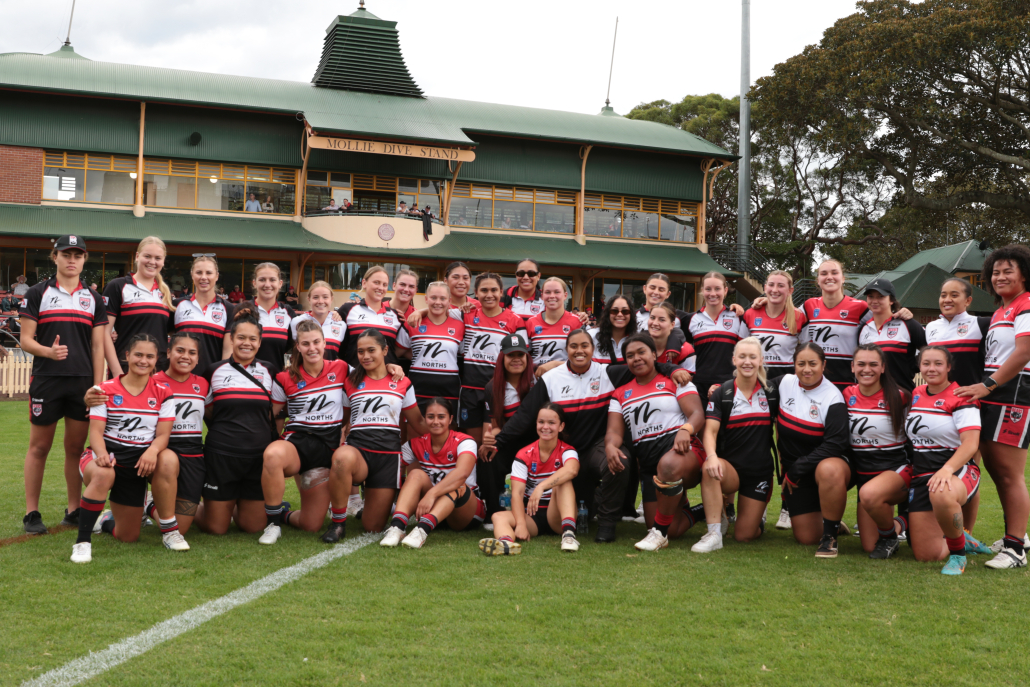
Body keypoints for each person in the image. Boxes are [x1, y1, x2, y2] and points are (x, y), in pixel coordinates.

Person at [490, 328, 692, 542]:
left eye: (584, 346)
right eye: (573, 346)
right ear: (566, 350)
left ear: (592, 349)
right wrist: (498, 442)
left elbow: (644, 365)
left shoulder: (607, 373)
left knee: (618, 458)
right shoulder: (551, 379)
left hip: (596, 448)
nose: (579, 351)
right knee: (582, 504)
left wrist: (671, 369)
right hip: (565, 452)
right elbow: (525, 415)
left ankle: (607, 524)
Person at [261, 320, 404, 544]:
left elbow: (372, 373)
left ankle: (284, 514)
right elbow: (271, 417)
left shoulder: (341, 368)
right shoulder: (284, 377)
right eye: (305, 344)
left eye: (316, 342)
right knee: (272, 455)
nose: (312, 348)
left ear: (325, 343)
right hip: (299, 444)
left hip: (330, 447)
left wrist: (392, 367)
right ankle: (272, 524)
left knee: (311, 524)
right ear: (297, 347)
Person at [19, 234, 109, 534]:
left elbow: (98, 348)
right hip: (47, 380)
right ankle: (32, 513)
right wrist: (49, 352)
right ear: (54, 257)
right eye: (66, 254)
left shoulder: (94, 299)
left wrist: (97, 386)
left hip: (82, 385)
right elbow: (26, 340)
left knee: (74, 448)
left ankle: (74, 510)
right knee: (39, 447)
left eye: (78, 255)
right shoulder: (37, 292)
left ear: (84, 260)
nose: (72, 260)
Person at [71, 333, 186, 563]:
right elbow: (95, 432)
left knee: (128, 536)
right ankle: (82, 543)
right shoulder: (105, 389)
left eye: (149, 356)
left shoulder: (164, 392)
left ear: (157, 360)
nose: (143, 361)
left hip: (138, 463)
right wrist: (102, 454)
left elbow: (163, 435)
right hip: (104, 457)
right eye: (138, 355)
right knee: (104, 473)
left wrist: (152, 451)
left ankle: (108, 521)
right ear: (127, 356)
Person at [955, 244, 1030, 569]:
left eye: (1007, 271)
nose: (1000, 276)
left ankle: (1015, 549)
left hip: (1015, 392)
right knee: (998, 472)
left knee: (1010, 474)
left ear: (1024, 274)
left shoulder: (1025, 305)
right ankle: (1018, 535)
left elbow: (1024, 351)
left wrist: (988, 385)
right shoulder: (1002, 310)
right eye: (995, 272)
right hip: (997, 392)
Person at [605, 333, 706, 551]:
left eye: (641, 352)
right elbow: (614, 430)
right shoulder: (620, 393)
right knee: (674, 529)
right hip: (649, 463)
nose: (636, 358)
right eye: (630, 355)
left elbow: (697, 413)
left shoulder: (675, 379)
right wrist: (610, 446)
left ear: (653, 354)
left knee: (668, 467)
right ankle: (702, 510)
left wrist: (685, 430)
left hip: (682, 451)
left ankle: (659, 535)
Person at [323, 329, 430, 533]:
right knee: (341, 458)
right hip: (358, 452)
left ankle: (372, 502)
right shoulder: (350, 381)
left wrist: (449, 439)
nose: (365, 356)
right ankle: (337, 523)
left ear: (384, 350)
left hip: (388, 457)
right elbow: (342, 419)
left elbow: (417, 421)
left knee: (373, 527)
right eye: (361, 351)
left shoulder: (402, 382)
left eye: (371, 350)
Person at [196, 306, 277, 536]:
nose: (246, 343)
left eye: (253, 339)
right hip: (222, 457)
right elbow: (208, 411)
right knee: (216, 528)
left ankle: (231, 505)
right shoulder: (213, 371)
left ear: (260, 343)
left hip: (257, 458)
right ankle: (188, 508)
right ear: (231, 339)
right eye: (241, 337)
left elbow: (276, 411)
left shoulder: (269, 370)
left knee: (253, 527)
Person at [697, 337, 779, 552]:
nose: (747, 362)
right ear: (734, 360)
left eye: (753, 357)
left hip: (760, 473)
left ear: (761, 360)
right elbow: (710, 431)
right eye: (742, 357)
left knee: (744, 536)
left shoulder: (772, 391)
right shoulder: (722, 393)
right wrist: (712, 457)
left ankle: (755, 518)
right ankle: (714, 532)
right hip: (731, 470)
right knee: (709, 468)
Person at [907, 346, 983, 575]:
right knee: (926, 555)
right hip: (922, 472)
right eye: (926, 363)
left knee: (941, 492)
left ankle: (959, 555)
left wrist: (947, 469)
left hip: (957, 468)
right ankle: (961, 537)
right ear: (920, 366)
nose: (932, 368)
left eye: (938, 363)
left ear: (949, 367)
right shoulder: (917, 392)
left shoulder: (962, 396)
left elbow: (970, 443)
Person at [744, 270, 806, 531]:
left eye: (781, 285)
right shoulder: (750, 313)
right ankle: (756, 507)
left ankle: (787, 506)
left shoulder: (800, 317)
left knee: (787, 446)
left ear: (790, 290)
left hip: (787, 386)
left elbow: (805, 354)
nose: (775, 289)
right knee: (756, 445)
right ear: (765, 288)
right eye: (771, 285)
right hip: (756, 384)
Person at [778, 343, 852, 557]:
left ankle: (830, 536)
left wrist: (796, 469)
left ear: (823, 365)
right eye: (801, 363)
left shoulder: (832, 397)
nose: (806, 369)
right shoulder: (785, 383)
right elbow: (752, 387)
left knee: (828, 469)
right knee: (806, 538)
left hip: (824, 468)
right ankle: (832, 521)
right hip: (797, 474)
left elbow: (835, 444)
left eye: (813, 363)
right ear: (794, 365)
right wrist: (720, 388)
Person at [381, 398, 485, 548]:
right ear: (425, 419)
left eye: (441, 417)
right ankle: (397, 527)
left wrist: (431, 494)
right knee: (415, 474)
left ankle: (422, 531)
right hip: (435, 508)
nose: (436, 421)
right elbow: (390, 469)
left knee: (458, 484)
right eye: (431, 417)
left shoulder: (465, 441)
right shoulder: (416, 443)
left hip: (464, 512)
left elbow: (462, 473)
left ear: (450, 419)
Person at [480, 403, 582, 555]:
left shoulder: (567, 450)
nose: (545, 427)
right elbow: (517, 494)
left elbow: (572, 470)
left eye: (551, 423)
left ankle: (568, 535)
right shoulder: (524, 454)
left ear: (561, 427)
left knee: (563, 481)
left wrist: (541, 487)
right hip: (532, 516)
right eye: (541, 422)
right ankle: (506, 543)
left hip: (557, 515)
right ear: (536, 424)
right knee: (498, 516)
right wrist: (521, 524)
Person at [845, 345, 915, 559]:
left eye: (873, 364)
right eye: (861, 364)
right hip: (864, 473)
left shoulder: (901, 397)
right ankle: (904, 521)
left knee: (869, 494)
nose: (867, 369)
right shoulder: (846, 394)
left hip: (897, 470)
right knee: (868, 545)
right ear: (852, 367)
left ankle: (895, 531)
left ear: (883, 367)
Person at [103, 236, 175, 375]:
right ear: (137, 256)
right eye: (147, 256)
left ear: (163, 261)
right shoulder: (118, 286)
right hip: (126, 368)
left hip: (158, 371)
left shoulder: (166, 293)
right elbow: (104, 333)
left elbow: (169, 332)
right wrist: (118, 374)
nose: (152, 262)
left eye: (158, 258)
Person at [682, 271, 749, 406]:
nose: (713, 294)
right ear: (702, 291)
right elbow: (681, 346)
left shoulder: (738, 317)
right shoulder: (691, 319)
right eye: (708, 289)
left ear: (725, 291)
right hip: (700, 384)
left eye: (717, 289)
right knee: (701, 425)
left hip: (730, 382)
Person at [404, 281, 464, 414]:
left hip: (449, 389)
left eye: (443, 298)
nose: (438, 302)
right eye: (433, 298)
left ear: (449, 300)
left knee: (448, 429)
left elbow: (463, 354)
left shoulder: (460, 325)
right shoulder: (413, 322)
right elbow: (399, 351)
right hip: (418, 387)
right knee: (416, 430)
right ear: (426, 299)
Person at [858, 278, 926, 392]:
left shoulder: (908, 324)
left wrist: (912, 367)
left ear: (891, 300)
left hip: (902, 396)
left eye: (880, 296)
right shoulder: (863, 329)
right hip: (870, 397)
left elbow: (930, 350)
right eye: (871, 296)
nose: (874, 301)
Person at [337, 266, 410, 367]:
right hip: (355, 377)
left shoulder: (396, 316)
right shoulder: (348, 309)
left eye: (384, 284)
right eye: (376, 282)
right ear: (364, 283)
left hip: (387, 379)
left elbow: (400, 349)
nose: (380, 287)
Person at [171, 255, 233, 373]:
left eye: (209, 273)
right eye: (199, 272)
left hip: (211, 381)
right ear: (192, 275)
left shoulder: (228, 309)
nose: (203, 277)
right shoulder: (176, 305)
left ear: (217, 276)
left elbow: (227, 352)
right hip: (179, 378)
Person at [230, 262, 295, 375]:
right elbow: (231, 346)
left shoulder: (287, 312)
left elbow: (295, 347)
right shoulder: (242, 310)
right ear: (254, 283)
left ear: (280, 284)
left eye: (272, 280)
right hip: (242, 381)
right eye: (262, 280)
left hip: (275, 383)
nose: (267, 284)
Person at [525, 277, 584, 365]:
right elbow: (526, 356)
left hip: (567, 376)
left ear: (565, 295)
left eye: (557, 292)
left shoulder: (577, 321)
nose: (552, 296)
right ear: (542, 296)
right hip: (537, 376)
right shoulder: (531, 322)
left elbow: (583, 357)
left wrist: (554, 365)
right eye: (547, 292)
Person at [291, 281, 345, 361]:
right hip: (302, 373)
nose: (320, 301)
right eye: (315, 297)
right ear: (309, 299)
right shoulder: (296, 322)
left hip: (331, 373)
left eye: (325, 297)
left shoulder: (341, 324)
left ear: (331, 299)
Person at [647, 302, 695, 370]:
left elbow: (688, 378)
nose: (655, 323)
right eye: (652, 318)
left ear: (672, 325)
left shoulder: (685, 349)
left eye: (661, 320)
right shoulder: (638, 346)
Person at [590, 293, 633, 364]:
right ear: (607, 313)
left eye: (625, 311)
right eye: (614, 311)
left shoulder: (637, 339)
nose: (620, 314)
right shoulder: (591, 336)